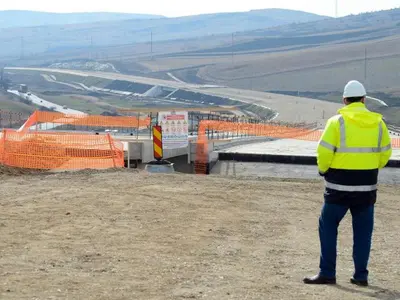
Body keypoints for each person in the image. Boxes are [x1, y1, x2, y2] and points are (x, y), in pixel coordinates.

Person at [303, 80, 392, 286]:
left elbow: (324, 151)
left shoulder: (337, 122)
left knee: (327, 226)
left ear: (344, 100)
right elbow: (385, 153)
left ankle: (327, 273)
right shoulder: (379, 123)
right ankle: (360, 276)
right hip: (366, 188)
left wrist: (323, 170)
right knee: (363, 232)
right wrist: (370, 167)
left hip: (338, 189)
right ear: (364, 99)